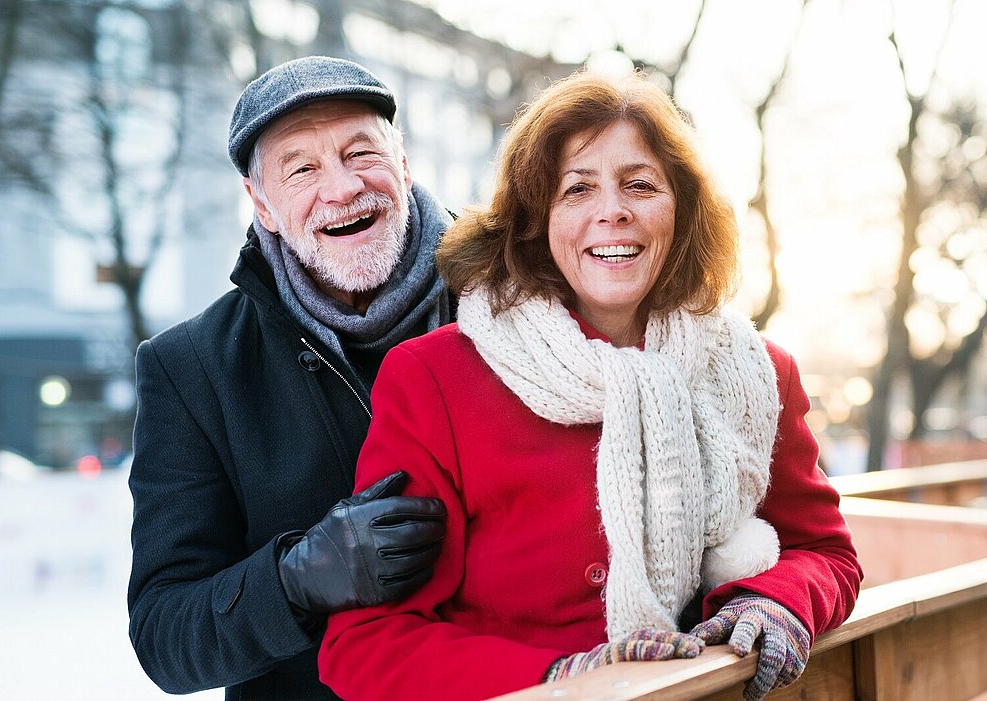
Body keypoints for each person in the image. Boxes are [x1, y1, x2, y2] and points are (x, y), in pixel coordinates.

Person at [319, 71, 863, 701]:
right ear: (535, 219)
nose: (614, 211)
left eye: (641, 185)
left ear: (680, 210)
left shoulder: (759, 372)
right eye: (577, 189)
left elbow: (823, 552)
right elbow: (365, 641)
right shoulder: (436, 378)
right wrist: (557, 680)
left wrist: (776, 605)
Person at [127, 57, 455, 700]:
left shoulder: (512, 297)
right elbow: (165, 636)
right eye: (301, 168)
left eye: (361, 153)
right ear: (263, 205)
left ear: (404, 164)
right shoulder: (192, 370)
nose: (340, 188)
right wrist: (297, 579)